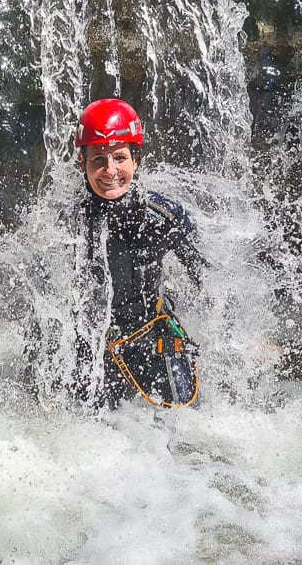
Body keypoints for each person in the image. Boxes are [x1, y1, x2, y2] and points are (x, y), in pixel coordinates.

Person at [71, 97, 207, 408]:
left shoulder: (160, 215)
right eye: (98, 160)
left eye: (119, 158)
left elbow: (207, 275)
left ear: (136, 160)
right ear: (83, 163)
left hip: (155, 336)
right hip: (94, 344)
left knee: (190, 427)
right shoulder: (69, 219)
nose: (110, 171)